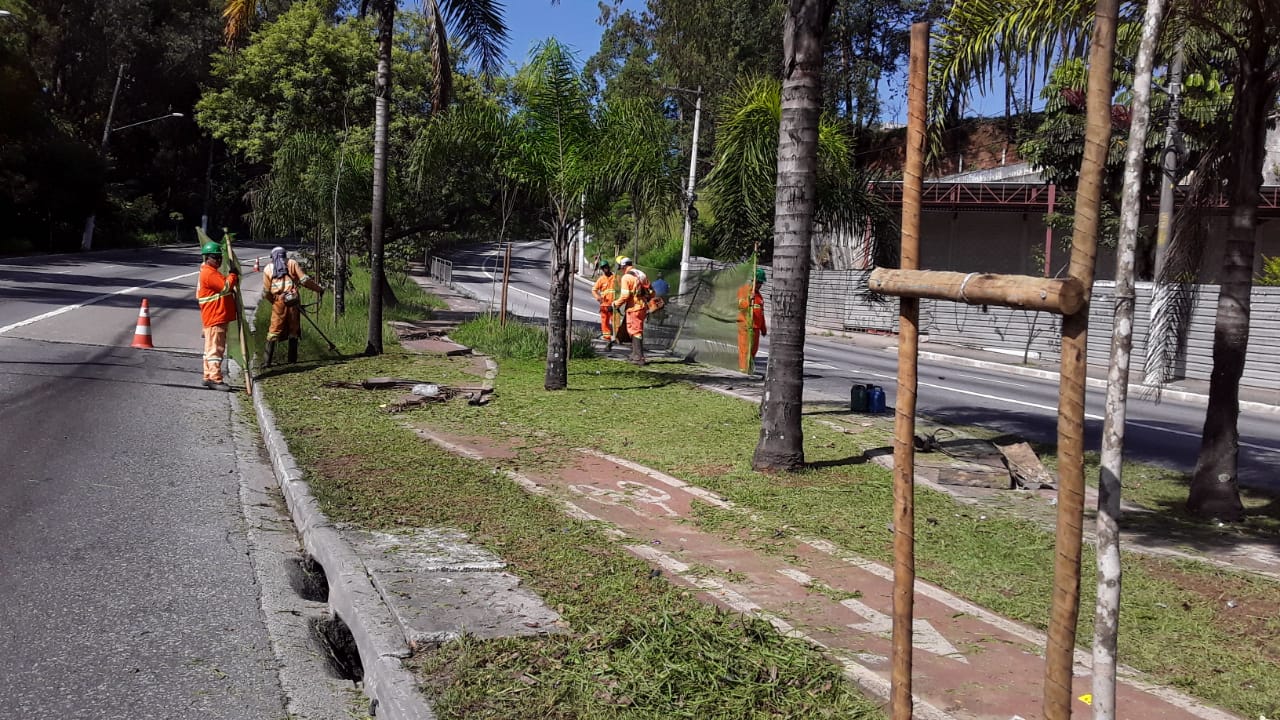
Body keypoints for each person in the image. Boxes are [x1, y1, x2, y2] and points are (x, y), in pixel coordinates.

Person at [261, 246, 324, 366]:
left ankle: (266, 361)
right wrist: (319, 289)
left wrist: (274, 302)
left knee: (274, 330)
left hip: (278, 302)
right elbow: (304, 280)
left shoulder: (268, 268)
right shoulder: (292, 263)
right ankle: (292, 361)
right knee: (293, 330)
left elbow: (266, 292)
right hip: (293, 301)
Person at [196, 238, 239, 391]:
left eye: (220, 257)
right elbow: (225, 286)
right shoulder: (209, 273)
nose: (219, 260)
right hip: (216, 316)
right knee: (216, 349)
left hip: (214, 316)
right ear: (207, 258)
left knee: (210, 349)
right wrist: (233, 275)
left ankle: (208, 376)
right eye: (215, 257)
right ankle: (215, 379)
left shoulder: (209, 272)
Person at [611, 256, 649, 365]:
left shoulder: (626, 277)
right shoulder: (641, 274)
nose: (621, 269)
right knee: (637, 329)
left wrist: (615, 304)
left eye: (620, 267)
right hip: (642, 306)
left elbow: (625, 296)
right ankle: (635, 354)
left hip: (634, 308)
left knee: (635, 331)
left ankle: (638, 357)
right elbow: (651, 292)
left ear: (623, 266)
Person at [737, 266, 767, 374]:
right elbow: (741, 306)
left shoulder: (759, 297)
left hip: (756, 328)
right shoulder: (744, 291)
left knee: (753, 350)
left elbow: (761, 314)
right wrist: (749, 300)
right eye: (758, 282)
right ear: (753, 280)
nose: (760, 285)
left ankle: (749, 368)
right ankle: (743, 370)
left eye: (761, 283)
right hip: (745, 326)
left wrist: (763, 328)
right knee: (745, 349)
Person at [591, 260, 616, 348]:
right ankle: (607, 338)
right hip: (604, 305)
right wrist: (598, 298)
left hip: (614, 305)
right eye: (603, 268)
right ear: (601, 269)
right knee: (605, 322)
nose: (605, 269)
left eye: (606, 267)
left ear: (609, 267)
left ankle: (617, 338)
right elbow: (594, 290)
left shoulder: (616, 277)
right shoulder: (601, 279)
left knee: (615, 322)